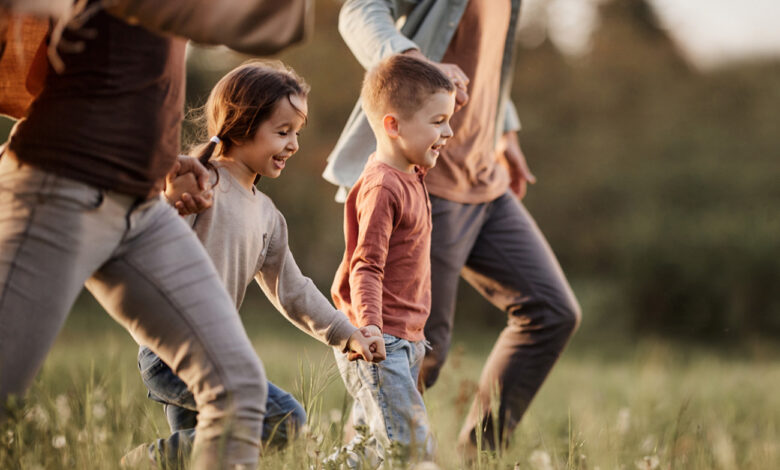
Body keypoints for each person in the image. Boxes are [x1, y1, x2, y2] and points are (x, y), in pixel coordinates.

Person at [0, 1, 312, 468]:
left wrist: (160, 158)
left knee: (239, 394)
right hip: (59, 187)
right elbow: (264, 21)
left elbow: (124, 75)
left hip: (140, 203)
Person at [322, 0, 582, 454]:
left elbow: (484, 63)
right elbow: (359, 9)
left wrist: (505, 131)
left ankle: (480, 456)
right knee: (416, 352)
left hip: (485, 178)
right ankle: (370, 458)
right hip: (426, 185)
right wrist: (412, 60)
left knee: (551, 311)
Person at [123, 61, 386, 468]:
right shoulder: (201, 183)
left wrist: (346, 333)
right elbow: (151, 241)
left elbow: (293, 291)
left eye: (296, 133)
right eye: (283, 132)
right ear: (241, 125)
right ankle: (143, 462)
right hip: (171, 349)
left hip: (213, 349)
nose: (294, 144)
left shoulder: (268, 217)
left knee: (207, 459)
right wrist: (171, 198)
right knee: (283, 420)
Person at [327, 54, 455, 467]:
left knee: (365, 451)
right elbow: (366, 265)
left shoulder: (412, 172)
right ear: (393, 126)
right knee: (412, 450)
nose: (449, 132)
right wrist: (371, 328)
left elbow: (426, 112)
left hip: (407, 340)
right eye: (439, 122)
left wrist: (436, 115)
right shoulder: (383, 186)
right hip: (382, 342)